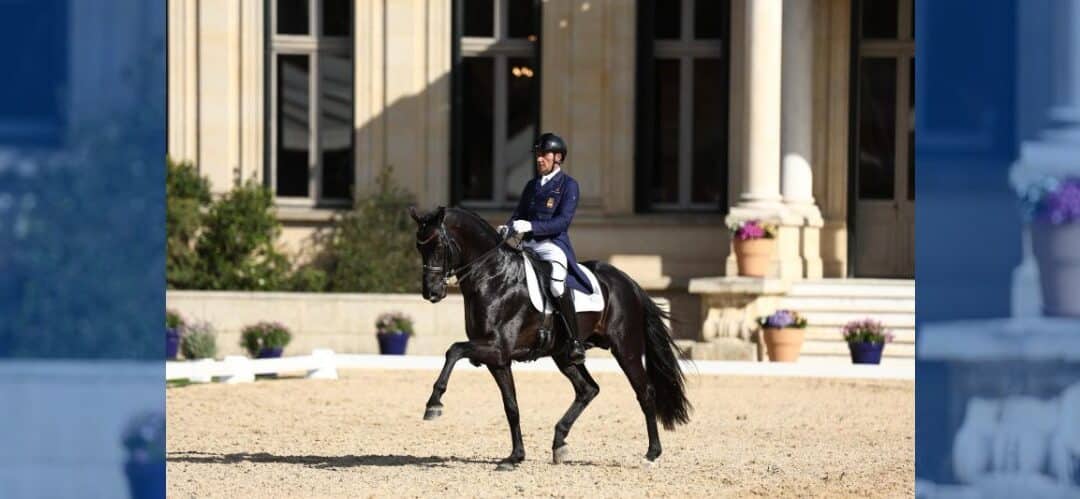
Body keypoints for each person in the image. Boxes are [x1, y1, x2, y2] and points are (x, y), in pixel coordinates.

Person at [498, 133, 593, 365]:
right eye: (538, 155)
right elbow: (518, 215)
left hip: (552, 245)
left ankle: (575, 341)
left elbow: (562, 222)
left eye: (544, 155)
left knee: (556, 283)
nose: (539, 159)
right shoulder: (531, 186)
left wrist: (530, 225)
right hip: (528, 245)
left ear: (557, 157)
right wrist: (507, 228)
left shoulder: (569, 185)